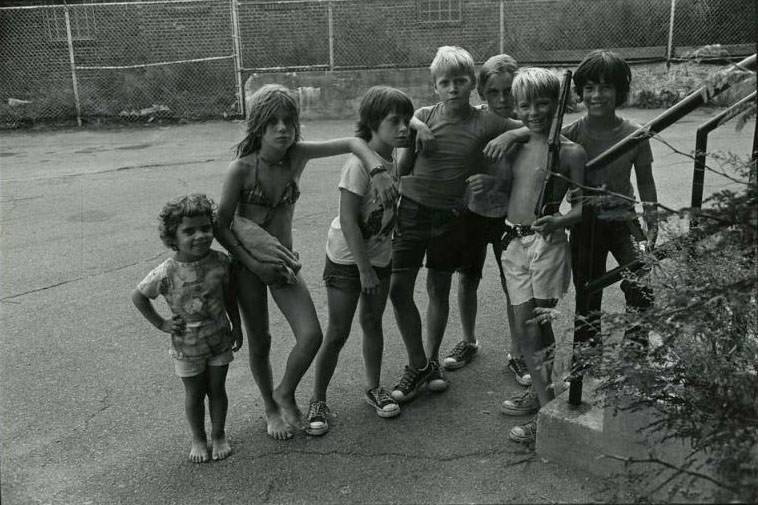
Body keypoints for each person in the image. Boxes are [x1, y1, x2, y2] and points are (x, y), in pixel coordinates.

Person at [214, 84, 397, 440]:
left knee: (311, 335)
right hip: (247, 266)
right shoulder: (241, 169)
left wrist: (376, 167)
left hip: (283, 263)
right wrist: (253, 266)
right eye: (273, 122)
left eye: (289, 121)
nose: (282, 129)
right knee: (261, 340)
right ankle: (271, 408)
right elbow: (220, 226)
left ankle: (284, 390)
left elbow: (352, 143)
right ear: (257, 127)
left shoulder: (296, 155)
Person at [389, 46, 522, 403]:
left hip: (450, 215)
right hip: (413, 211)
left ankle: (429, 362)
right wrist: (416, 128)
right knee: (399, 288)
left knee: (438, 287)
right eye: (444, 82)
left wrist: (510, 135)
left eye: (459, 81)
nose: (452, 88)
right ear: (435, 86)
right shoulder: (423, 116)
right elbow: (401, 168)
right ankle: (422, 362)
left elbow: (528, 129)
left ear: (470, 85)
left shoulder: (485, 120)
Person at [305, 86, 414, 436]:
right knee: (338, 330)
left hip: (380, 258)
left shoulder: (391, 159)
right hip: (348, 261)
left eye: (406, 121)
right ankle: (318, 399)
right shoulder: (358, 165)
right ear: (371, 124)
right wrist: (365, 269)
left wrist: (382, 259)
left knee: (373, 321)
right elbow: (349, 220)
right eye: (393, 121)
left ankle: (373, 387)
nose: (403, 128)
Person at [495, 68, 586, 444]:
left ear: (557, 105)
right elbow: (505, 189)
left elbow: (581, 208)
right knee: (527, 325)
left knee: (534, 324)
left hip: (545, 243)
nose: (533, 111)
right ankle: (542, 389)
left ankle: (548, 413)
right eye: (524, 105)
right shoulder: (515, 145)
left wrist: (558, 219)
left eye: (542, 103)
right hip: (513, 242)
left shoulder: (570, 152)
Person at [437, 53, 531, 388]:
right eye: (494, 92)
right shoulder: (475, 121)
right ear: (482, 94)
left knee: (514, 286)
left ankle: (518, 353)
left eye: (509, 91)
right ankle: (468, 340)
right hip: (472, 213)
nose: (503, 99)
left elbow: (547, 134)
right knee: (468, 277)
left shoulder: (528, 124)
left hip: (510, 217)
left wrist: (512, 137)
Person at [131, 194, 243, 463]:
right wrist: (162, 324)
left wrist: (237, 325)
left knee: (218, 389)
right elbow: (139, 296)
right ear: (173, 237)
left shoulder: (221, 261)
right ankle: (198, 437)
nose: (200, 235)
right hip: (187, 345)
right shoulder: (167, 271)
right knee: (195, 393)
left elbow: (229, 297)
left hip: (219, 339)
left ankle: (218, 435)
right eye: (189, 231)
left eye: (205, 228)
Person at [563, 49, 658, 349]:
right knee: (588, 289)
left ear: (620, 90)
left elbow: (645, 179)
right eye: (589, 87)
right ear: (580, 92)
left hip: (623, 219)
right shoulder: (570, 135)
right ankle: (590, 346)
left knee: (641, 279)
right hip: (585, 222)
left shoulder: (635, 134)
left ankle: (636, 340)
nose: (596, 94)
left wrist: (652, 219)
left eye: (605, 86)